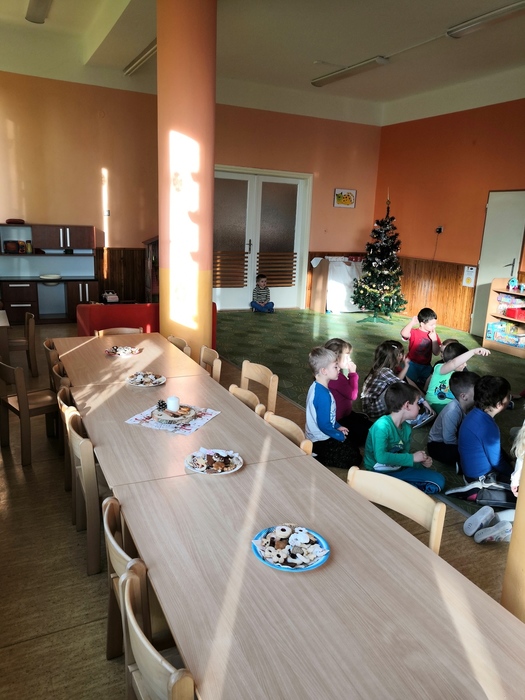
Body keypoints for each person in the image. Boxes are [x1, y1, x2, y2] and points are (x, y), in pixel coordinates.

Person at [363, 382, 445, 493]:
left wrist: (421, 461)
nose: (419, 407)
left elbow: (403, 455)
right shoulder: (382, 426)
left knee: (439, 480)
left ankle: (396, 487)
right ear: (407, 405)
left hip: (397, 468)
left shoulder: (406, 428)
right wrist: (412, 458)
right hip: (377, 471)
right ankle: (396, 487)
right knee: (434, 482)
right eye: (417, 403)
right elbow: (381, 457)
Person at [305, 346, 361, 469]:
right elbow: (324, 425)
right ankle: (316, 455)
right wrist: (338, 435)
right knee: (354, 458)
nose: (339, 368)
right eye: (335, 367)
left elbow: (328, 418)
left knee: (352, 445)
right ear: (324, 371)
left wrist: (338, 426)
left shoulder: (317, 386)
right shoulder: (323, 395)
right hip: (320, 440)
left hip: (321, 434)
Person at [458, 375, 514, 484]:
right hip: (481, 478)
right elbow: (497, 463)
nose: (510, 398)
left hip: (470, 470)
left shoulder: (473, 413)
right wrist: (514, 474)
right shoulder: (489, 428)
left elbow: (493, 449)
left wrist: (510, 460)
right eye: (508, 396)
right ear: (499, 404)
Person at [361, 340, 434, 424]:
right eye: (401, 354)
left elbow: (398, 379)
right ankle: (411, 417)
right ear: (397, 356)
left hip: (372, 406)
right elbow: (403, 386)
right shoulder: (384, 372)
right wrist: (424, 402)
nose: (403, 356)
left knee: (402, 383)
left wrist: (406, 366)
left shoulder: (382, 369)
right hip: (373, 409)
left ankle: (417, 404)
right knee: (401, 390)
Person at [324, 337, 372, 447]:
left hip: (340, 416)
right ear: (336, 358)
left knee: (366, 425)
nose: (349, 359)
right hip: (340, 420)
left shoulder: (328, 373)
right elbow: (353, 395)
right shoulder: (337, 378)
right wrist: (353, 374)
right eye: (347, 357)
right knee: (368, 432)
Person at [427, 370, 479, 466]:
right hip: (438, 443)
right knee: (468, 454)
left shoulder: (472, 405)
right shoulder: (452, 412)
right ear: (464, 396)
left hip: (456, 435)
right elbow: (449, 439)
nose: (481, 394)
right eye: (477, 392)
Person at [425, 343, 490, 414]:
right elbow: (454, 363)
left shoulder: (459, 373)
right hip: (434, 403)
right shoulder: (439, 368)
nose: (465, 364)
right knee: (456, 413)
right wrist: (473, 351)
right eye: (462, 362)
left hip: (449, 404)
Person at [400, 308, 441, 388]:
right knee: (408, 382)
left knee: (430, 382)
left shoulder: (434, 335)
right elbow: (404, 334)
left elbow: (436, 352)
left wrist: (434, 340)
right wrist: (412, 322)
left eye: (435, 324)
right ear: (422, 324)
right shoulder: (414, 332)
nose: (434, 326)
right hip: (411, 363)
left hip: (426, 365)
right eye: (431, 325)